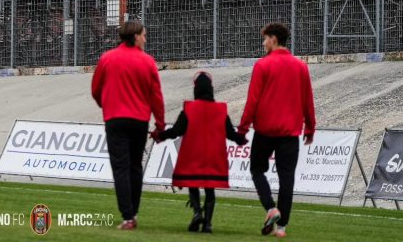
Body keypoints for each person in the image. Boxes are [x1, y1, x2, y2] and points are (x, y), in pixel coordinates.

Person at [238, 23, 316, 238]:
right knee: (287, 177)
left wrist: (243, 128)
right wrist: (310, 127)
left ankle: (270, 208)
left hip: (265, 130)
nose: (263, 44)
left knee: (256, 170)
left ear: (273, 39)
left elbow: (252, 100)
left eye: (265, 39)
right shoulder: (301, 66)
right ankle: (282, 227)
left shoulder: (262, 66)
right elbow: (307, 100)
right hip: (290, 132)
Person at [91, 21, 165, 230]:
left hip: (115, 119)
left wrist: (105, 105)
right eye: (143, 35)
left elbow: (96, 89)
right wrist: (159, 124)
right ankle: (134, 211)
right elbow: (156, 96)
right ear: (135, 37)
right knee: (135, 165)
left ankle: (127, 215)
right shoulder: (148, 61)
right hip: (139, 120)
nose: (145, 39)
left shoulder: (107, 59)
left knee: (120, 167)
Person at [153, 72, 247, 234]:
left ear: (196, 89)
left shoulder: (189, 108)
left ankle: (197, 212)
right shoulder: (221, 111)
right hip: (214, 156)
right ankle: (208, 224)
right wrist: (241, 139)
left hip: (193, 154)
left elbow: (176, 131)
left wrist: (160, 135)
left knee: (193, 184)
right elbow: (231, 134)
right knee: (210, 189)